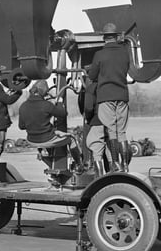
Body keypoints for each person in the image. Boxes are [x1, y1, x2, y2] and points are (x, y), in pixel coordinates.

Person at [88, 22, 132, 172]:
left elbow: (92, 75)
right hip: (122, 95)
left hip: (106, 96)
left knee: (111, 131)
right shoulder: (125, 53)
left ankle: (115, 163)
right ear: (116, 36)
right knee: (122, 132)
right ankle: (125, 164)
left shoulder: (99, 54)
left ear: (104, 37)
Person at [18, 80, 82, 172]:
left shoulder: (23, 106)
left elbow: (21, 126)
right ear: (43, 92)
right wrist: (59, 102)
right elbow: (63, 113)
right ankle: (78, 164)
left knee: (55, 132)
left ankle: (46, 156)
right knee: (71, 139)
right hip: (47, 139)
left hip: (31, 140)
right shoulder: (46, 105)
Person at [83, 80, 111, 178]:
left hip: (98, 121)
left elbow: (88, 108)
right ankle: (114, 176)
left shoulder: (92, 88)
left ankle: (98, 178)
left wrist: (89, 119)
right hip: (112, 121)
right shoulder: (110, 85)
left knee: (94, 144)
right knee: (110, 149)